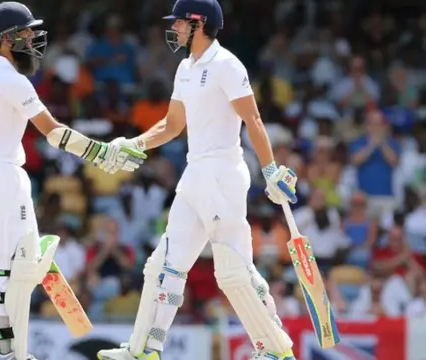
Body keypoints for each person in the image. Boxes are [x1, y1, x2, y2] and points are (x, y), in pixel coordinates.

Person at [97, 1, 298, 360]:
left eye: (178, 23)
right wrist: (134, 143)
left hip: (223, 174)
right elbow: (172, 125)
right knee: (163, 265)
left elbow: (252, 119)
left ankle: (275, 349)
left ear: (199, 23)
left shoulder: (227, 65)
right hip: (195, 173)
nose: (173, 28)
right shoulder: (185, 68)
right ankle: (144, 349)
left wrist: (270, 170)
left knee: (234, 270)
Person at [0, 2, 147, 360]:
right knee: (21, 262)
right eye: (26, 33)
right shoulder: (13, 80)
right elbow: (53, 132)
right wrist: (100, 154)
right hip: (3, 174)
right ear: (6, 39)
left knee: (11, 261)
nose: (32, 38)